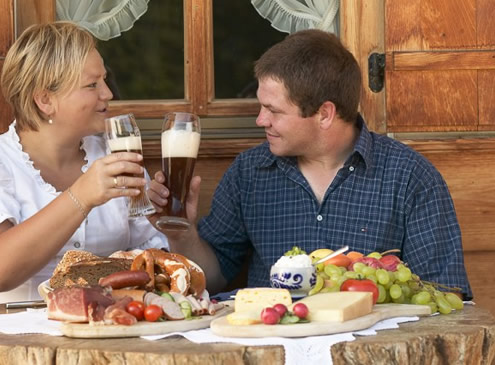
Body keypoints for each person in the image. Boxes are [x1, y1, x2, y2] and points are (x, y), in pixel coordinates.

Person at [147, 29, 472, 300]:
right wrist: (183, 234)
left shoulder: (410, 177)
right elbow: (213, 279)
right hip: (270, 348)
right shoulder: (248, 173)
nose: (261, 120)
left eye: (273, 110)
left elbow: (444, 294)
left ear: (324, 114)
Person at [0, 21, 168, 309]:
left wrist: (171, 223)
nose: (107, 94)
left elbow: (154, 264)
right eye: (92, 85)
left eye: (104, 80)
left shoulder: (113, 156)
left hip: (103, 336)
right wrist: (80, 197)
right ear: (45, 100)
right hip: (8, 341)